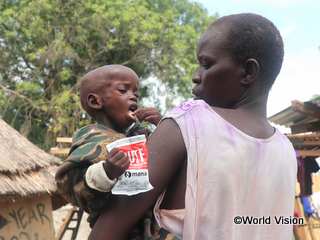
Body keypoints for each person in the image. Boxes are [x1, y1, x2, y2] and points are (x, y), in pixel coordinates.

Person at [89, 13, 297, 240]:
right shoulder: (286, 149)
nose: (196, 76)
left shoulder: (187, 123)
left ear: (248, 72)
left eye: (206, 64)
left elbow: (105, 232)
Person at [55, 65, 161, 238]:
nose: (133, 96)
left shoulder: (139, 136)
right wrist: (106, 172)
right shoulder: (92, 137)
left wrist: (162, 126)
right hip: (113, 231)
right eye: (123, 90)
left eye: (136, 93)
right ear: (96, 101)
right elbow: (68, 182)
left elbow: (164, 162)